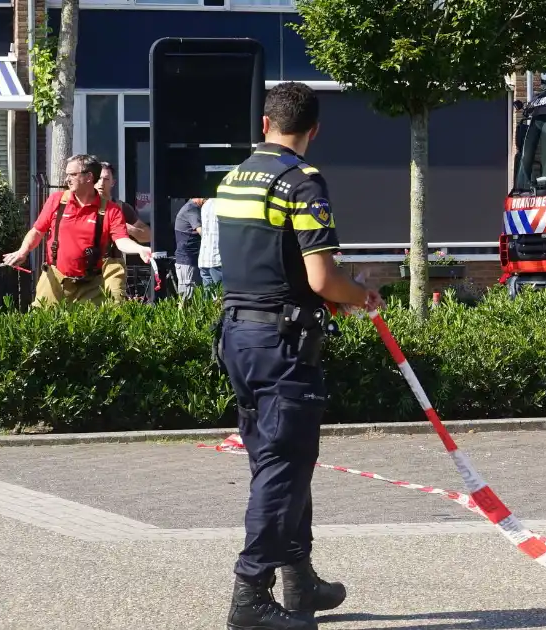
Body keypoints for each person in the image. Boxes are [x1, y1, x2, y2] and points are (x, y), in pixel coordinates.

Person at [214, 81, 383, 630]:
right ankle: (251, 597)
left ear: (265, 124)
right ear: (314, 130)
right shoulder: (301, 181)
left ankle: (299, 579)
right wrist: (361, 295)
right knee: (283, 469)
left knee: (280, 460)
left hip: (238, 336)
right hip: (283, 345)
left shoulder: (236, 177)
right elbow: (321, 277)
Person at [3, 154, 152, 305]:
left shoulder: (111, 210)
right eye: (67, 174)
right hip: (54, 277)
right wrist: (23, 251)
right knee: (41, 325)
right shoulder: (56, 200)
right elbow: (37, 231)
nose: (67, 179)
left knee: (99, 324)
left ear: (89, 177)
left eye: (73, 175)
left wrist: (139, 249)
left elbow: (121, 241)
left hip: (91, 282)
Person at [97, 161, 152, 300]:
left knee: (115, 304)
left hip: (112, 263)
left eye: (106, 179)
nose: (101, 183)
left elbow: (148, 235)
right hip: (85, 265)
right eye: (98, 178)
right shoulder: (81, 206)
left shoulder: (121, 207)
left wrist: (128, 229)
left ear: (113, 183)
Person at [174, 198, 205, 300]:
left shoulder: (193, 208)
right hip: (187, 261)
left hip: (191, 260)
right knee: (187, 298)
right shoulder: (191, 209)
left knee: (194, 298)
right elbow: (202, 232)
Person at [198, 197, 222, 288]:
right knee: (220, 297)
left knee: (208, 299)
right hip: (217, 259)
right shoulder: (222, 205)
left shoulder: (206, 205)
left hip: (204, 259)